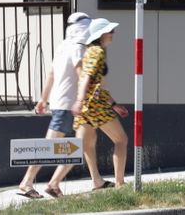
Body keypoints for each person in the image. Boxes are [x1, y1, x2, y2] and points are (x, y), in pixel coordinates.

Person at [17, 12, 91, 199]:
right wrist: (83, 98)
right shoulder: (77, 48)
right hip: (69, 104)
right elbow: (81, 73)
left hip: (61, 103)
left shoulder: (62, 46)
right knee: (50, 146)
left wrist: (43, 99)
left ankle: (54, 183)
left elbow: (51, 74)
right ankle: (27, 183)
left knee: (82, 144)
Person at [72, 17, 129, 190]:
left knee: (85, 145)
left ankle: (96, 181)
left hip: (89, 105)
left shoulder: (92, 50)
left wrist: (114, 104)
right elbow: (86, 77)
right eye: (110, 31)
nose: (113, 33)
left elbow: (97, 84)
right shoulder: (97, 51)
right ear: (102, 34)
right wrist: (79, 100)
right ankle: (120, 183)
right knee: (121, 140)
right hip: (95, 106)